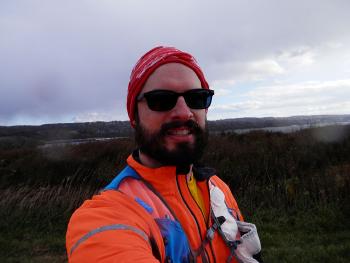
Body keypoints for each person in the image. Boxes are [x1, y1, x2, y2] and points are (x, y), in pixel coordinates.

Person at [66, 46, 262, 263]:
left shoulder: (218, 189)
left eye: (196, 98)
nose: (183, 112)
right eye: (160, 100)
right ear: (134, 117)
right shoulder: (106, 215)